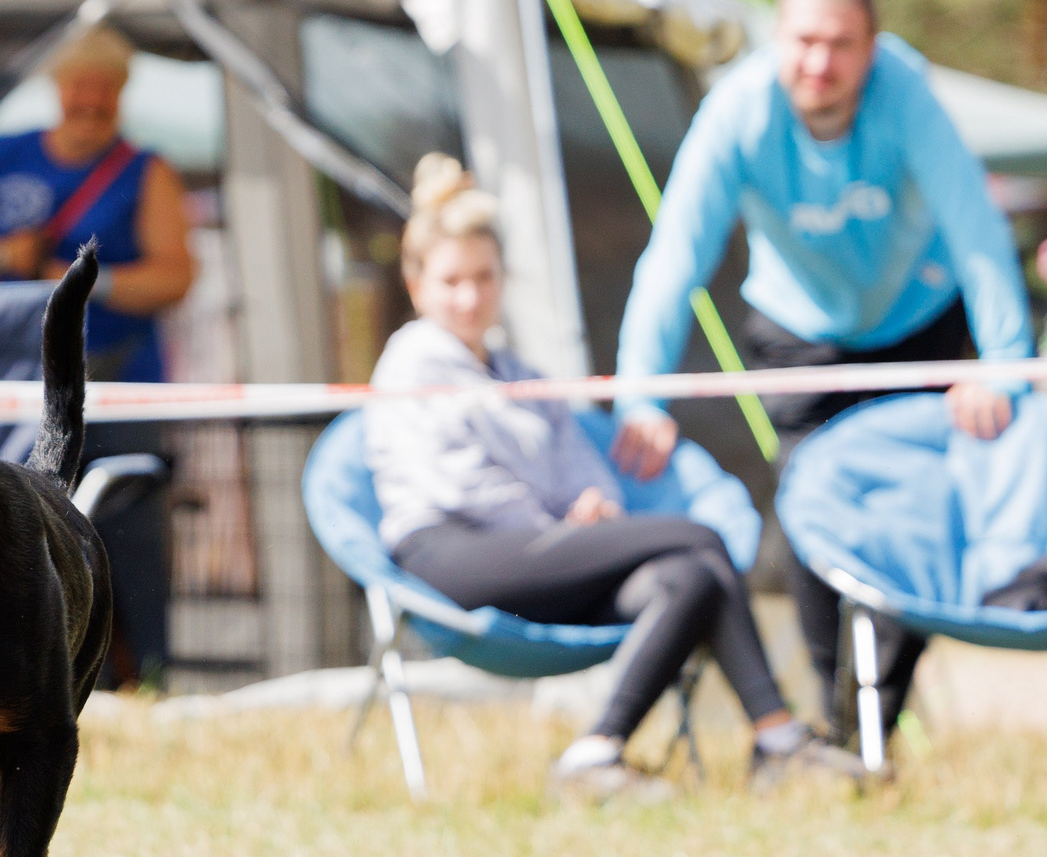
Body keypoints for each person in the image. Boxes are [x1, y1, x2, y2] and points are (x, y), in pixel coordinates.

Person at [609, 0, 1032, 745]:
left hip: (918, 320)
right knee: (811, 510)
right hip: (800, 332)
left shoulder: (906, 94)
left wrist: (1002, 362)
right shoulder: (740, 108)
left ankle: (870, 720)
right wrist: (641, 397)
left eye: (840, 45)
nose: (819, 63)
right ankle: (826, 715)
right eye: (804, 41)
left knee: (912, 517)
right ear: (779, 40)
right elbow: (675, 257)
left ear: (873, 47)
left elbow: (975, 227)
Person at [366, 157, 863, 799]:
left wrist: (592, 501)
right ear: (417, 283)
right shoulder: (411, 363)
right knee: (700, 538)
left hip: (538, 552)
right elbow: (459, 487)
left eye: (483, 277)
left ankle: (592, 755)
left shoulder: (517, 369)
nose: (470, 296)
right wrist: (557, 530)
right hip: (452, 553)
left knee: (688, 576)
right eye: (452, 280)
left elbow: (575, 454)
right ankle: (777, 739)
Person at [0, 26, 195, 687]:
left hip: (117, 376)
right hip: (19, 379)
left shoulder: (147, 171)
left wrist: (74, 277)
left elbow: (174, 276)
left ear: (121, 95)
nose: (90, 99)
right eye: (80, 85)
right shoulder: (1, 156)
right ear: (58, 89)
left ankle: (142, 672)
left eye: (104, 88)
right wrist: (3, 256)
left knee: (127, 532)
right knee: (16, 526)